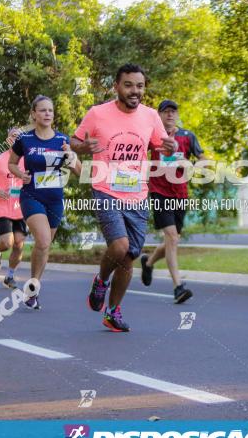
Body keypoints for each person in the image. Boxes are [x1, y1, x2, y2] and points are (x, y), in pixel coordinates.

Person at [70, 64, 176, 332]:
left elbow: (160, 146)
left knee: (130, 255)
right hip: (105, 186)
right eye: (129, 85)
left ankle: (113, 311)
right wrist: (83, 147)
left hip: (137, 192)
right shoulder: (97, 113)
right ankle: (101, 281)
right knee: (119, 247)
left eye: (139, 86)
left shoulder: (151, 116)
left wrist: (168, 148)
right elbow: (74, 141)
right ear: (116, 86)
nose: (135, 91)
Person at [8, 96, 82, 309]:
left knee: (44, 246)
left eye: (50, 110)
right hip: (32, 197)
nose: (47, 113)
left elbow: (79, 171)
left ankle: (33, 289)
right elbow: (11, 164)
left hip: (55, 200)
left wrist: (70, 156)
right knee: (43, 240)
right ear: (34, 114)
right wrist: (21, 174)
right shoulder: (25, 140)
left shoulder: (62, 140)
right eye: (42, 110)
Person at [139, 100, 204, 303]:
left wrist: (190, 165)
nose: (169, 115)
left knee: (171, 240)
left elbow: (202, 159)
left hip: (180, 193)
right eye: (165, 111)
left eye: (173, 111)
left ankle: (148, 262)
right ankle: (178, 287)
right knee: (172, 238)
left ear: (177, 115)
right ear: (159, 115)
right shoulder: (152, 136)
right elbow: (139, 156)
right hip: (159, 192)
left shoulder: (187, 136)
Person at [0, 127, 26, 289]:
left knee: (19, 243)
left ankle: (10, 276)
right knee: (8, 242)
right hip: (3, 208)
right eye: (13, 137)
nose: (16, 139)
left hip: (21, 208)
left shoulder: (26, 160)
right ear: (8, 140)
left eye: (19, 137)